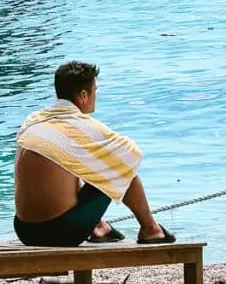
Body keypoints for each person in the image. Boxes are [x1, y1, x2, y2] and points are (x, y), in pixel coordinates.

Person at [13, 61, 176, 247]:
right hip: (60, 232)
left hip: (24, 230)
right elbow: (132, 155)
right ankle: (151, 230)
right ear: (83, 95)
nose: (96, 95)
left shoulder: (33, 121)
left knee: (75, 162)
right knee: (120, 164)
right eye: (95, 90)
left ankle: (98, 227)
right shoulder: (79, 126)